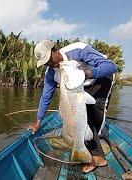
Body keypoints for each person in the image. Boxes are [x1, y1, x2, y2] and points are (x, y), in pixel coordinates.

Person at [29, 40, 117, 173]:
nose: (50, 64)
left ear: (55, 50)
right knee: (84, 116)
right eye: (45, 62)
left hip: (101, 76)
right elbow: (46, 97)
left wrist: (90, 73)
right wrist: (38, 121)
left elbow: (111, 66)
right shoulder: (51, 73)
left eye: (49, 59)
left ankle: (97, 156)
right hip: (80, 86)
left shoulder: (79, 50)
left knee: (95, 112)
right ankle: (90, 150)